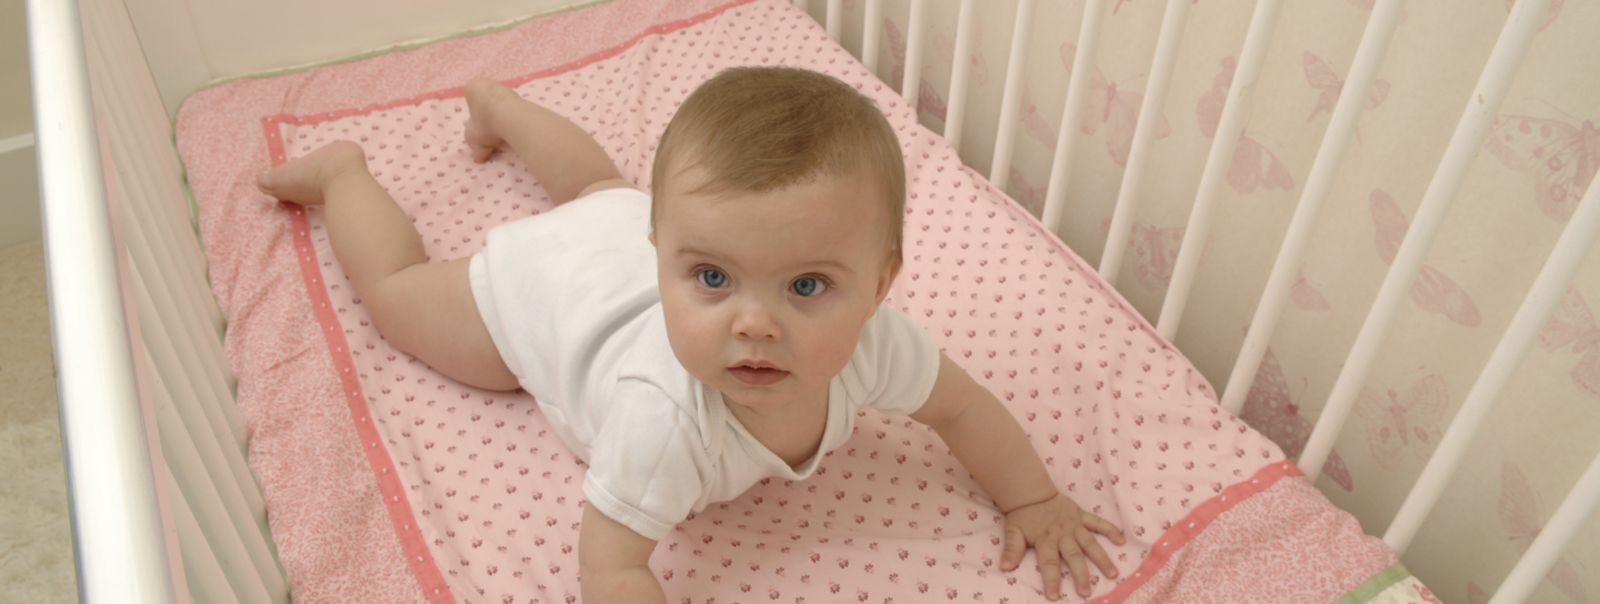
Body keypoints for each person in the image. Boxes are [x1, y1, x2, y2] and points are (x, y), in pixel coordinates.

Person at [257, 66, 1124, 602]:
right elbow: (614, 569)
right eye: (711, 278)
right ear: (664, 254)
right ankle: (344, 176)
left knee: (603, 184)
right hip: (547, 297)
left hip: (618, 233)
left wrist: (1034, 499)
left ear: (880, 287)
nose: (754, 321)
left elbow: (966, 410)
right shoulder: (659, 423)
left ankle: (501, 106)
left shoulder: (879, 346)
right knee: (404, 298)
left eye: (809, 285)